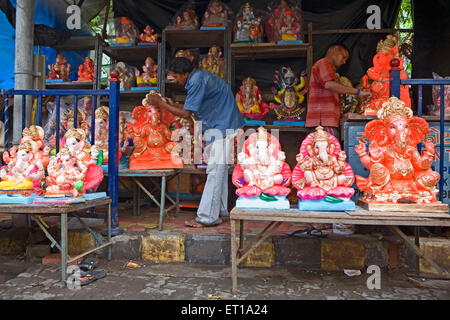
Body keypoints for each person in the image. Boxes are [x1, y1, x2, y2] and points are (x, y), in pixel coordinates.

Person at [147, 57, 245, 228]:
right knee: (219, 170)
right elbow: (189, 108)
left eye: (176, 76)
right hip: (223, 125)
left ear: (185, 74)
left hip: (223, 126)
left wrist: (161, 104)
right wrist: (169, 104)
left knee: (215, 170)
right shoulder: (198, 78)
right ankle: (220, 211)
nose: (175, 80)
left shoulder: (196, 80)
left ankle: (207, 217)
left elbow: (185, 114)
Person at [305, 43, 372, 140]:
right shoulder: (324, 63)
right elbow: (329, 84)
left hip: (324, 122)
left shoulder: (328, 68)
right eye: (344, 57)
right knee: (330, 152)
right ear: (335, 50)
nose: (344, 62)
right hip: (323, 122)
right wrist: (358, 92)